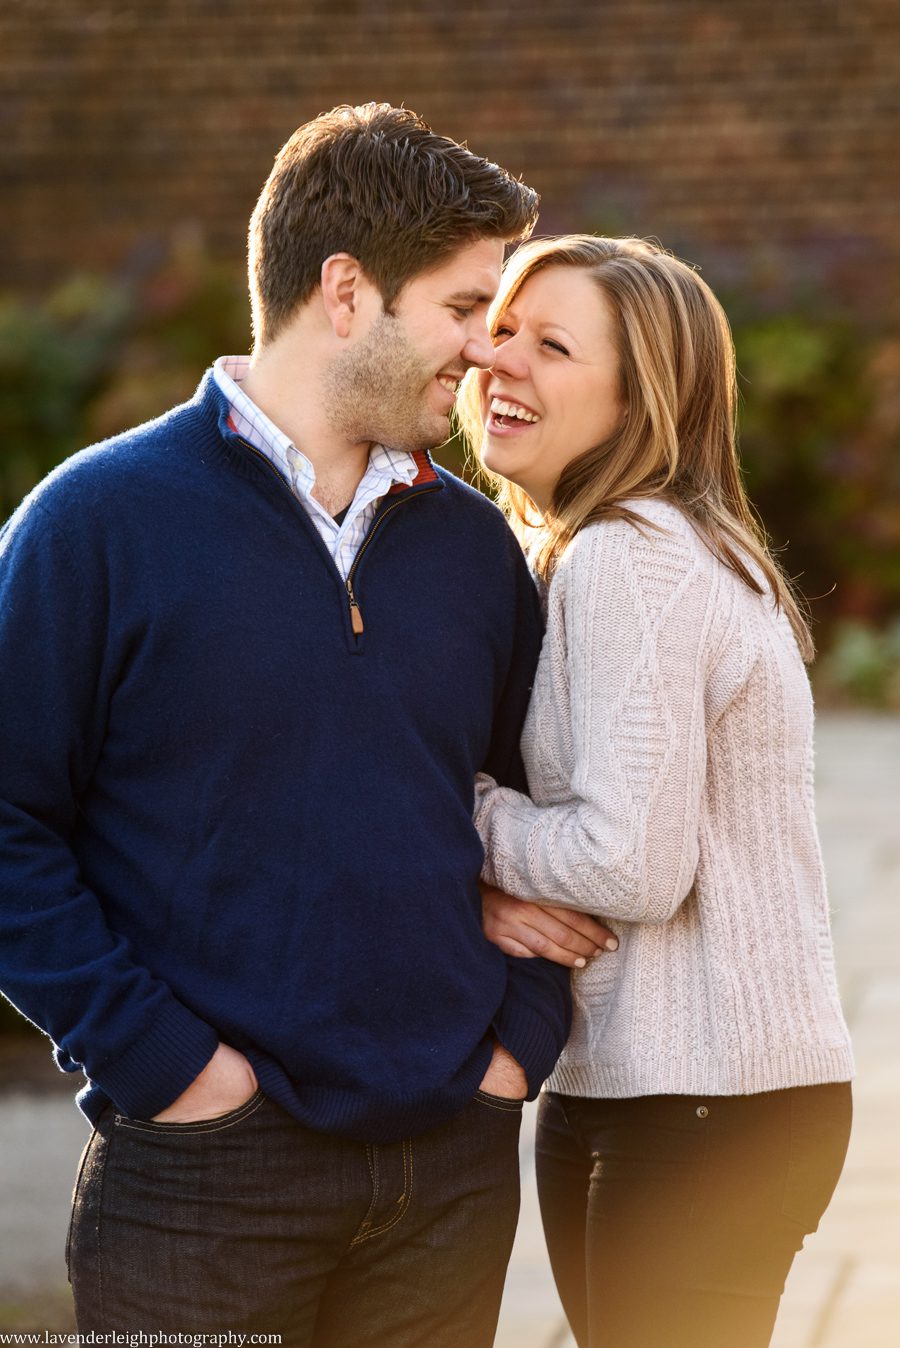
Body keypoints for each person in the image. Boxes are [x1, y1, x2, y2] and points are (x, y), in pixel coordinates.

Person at [0, 104, 578, 1347]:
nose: (485, 353)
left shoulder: (475, 552)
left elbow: (539, 805)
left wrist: (512, 1054)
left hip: (449, 1172)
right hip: (199, 1184)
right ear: (346, 289)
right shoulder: (94, 526)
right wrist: (169, 1069)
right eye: (465, 308)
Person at [459, 234, 855, 1348]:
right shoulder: (655, 548)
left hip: (702, 1103)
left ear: (641, 403)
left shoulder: (628, 556)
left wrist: (468, 814)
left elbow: (628, 862)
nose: (503, 364)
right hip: (686, 1092)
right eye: (499, 334)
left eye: (552, 345)